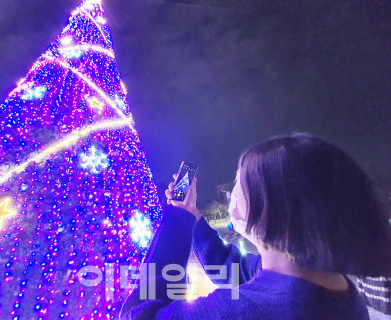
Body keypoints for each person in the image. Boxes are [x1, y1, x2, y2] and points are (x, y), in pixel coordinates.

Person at [120, 133, 391, 319]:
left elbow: (138, 313)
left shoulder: (241, 311)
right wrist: (192, 216)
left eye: (239, 181)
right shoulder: (327, 283)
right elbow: (231, 267)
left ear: (271, 204)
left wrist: (177, 221)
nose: (231, 192)